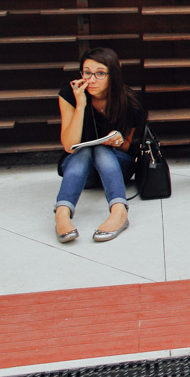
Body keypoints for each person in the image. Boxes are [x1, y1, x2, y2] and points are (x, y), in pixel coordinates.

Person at [55, 47, 146, 243]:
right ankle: (62, 213)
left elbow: (128, 147)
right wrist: (80, 104)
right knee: (84, 151)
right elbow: (69, 146)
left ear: (113, 75)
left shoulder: (129, 101)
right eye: (87, 73)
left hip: (117, 168)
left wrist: (118, 141)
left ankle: (119, 211)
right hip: (83, 172)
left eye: (100, 73)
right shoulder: (70, 94)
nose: (92, 79)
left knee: (100, 149)